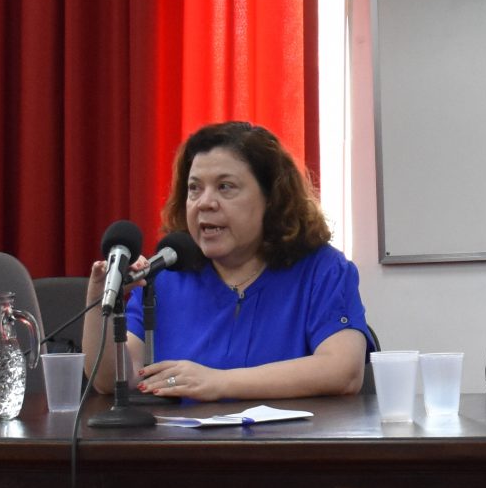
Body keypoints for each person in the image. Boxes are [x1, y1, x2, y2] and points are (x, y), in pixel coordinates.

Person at [83, 121, 372, 401]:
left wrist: (219, 382)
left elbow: (343, 371)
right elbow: (113, 381)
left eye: (225, 187)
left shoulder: (321, 270)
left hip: (286, 447)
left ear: (272, 199)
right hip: (181, 447)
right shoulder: (167, 276)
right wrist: (99, 297)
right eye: (194, 188)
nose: (204, 202)